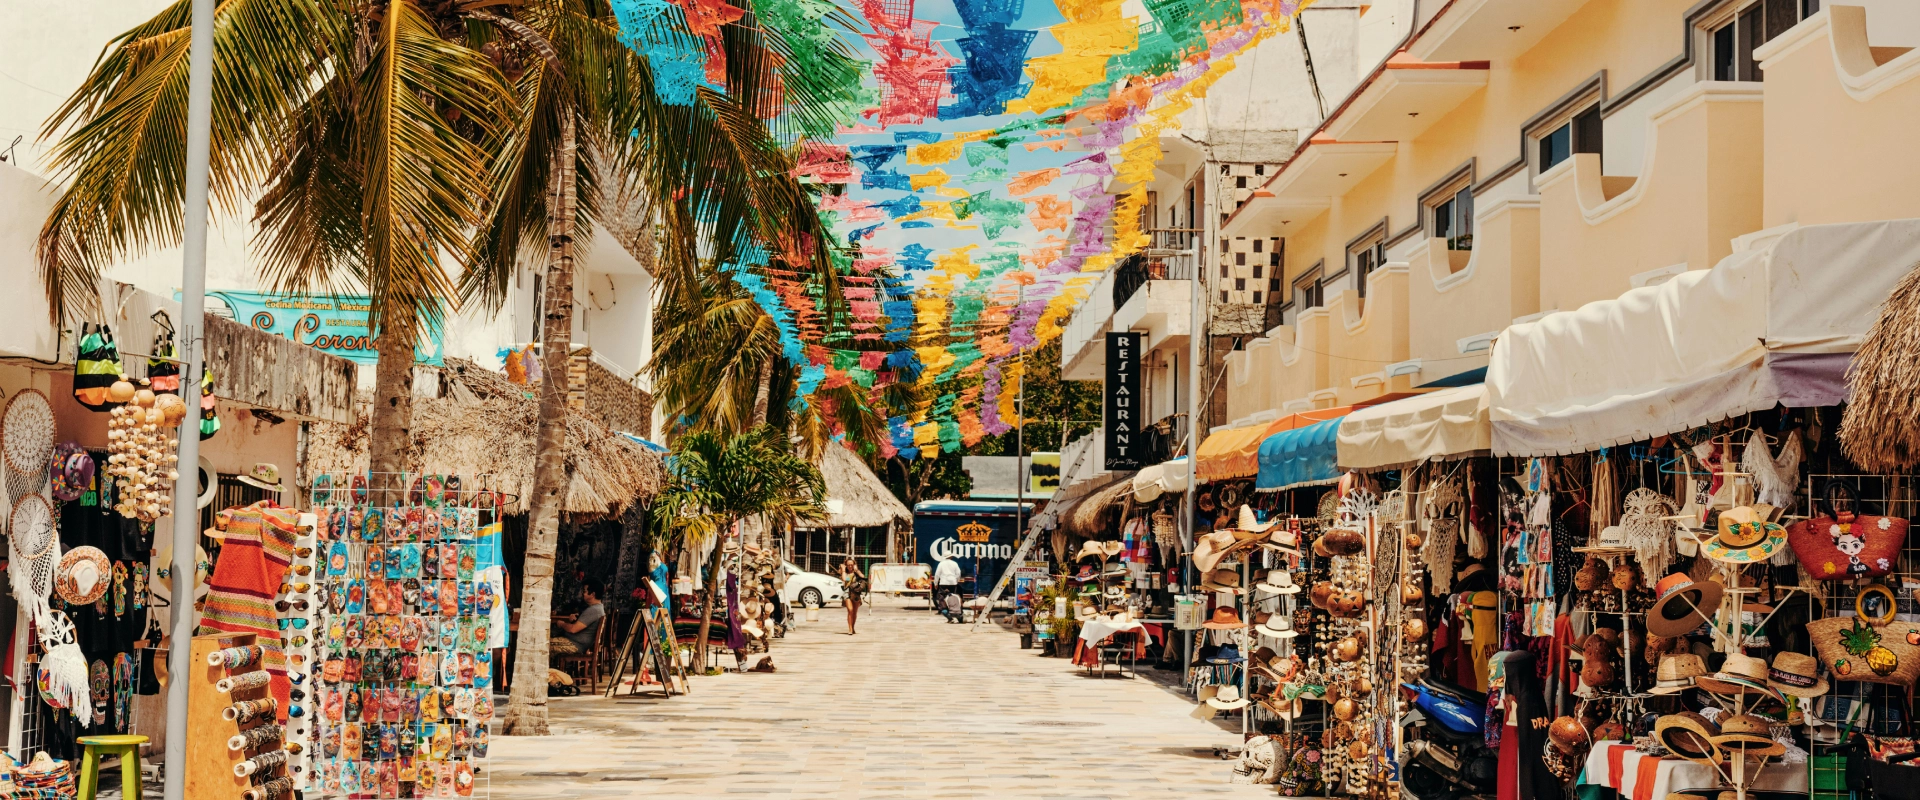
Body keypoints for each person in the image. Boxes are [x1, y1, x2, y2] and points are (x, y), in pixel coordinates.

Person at [551, 581, 605, 655]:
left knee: (544, 644)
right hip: (577, 642)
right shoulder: (598, 608)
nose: (583, 594)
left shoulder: (594, 610)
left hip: (575, 644)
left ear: (592, 594)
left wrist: (562, 624)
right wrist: (573, 620)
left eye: (584, 591)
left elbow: (573, 629)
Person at [838, 558, 868, 635]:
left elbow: (862, 576)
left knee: (854, 612)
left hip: (856, 593)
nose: (850, 566)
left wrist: (857, 570)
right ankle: (850, 629)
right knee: (850, 610)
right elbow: (845, 579)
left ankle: (853, 627)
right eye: (848, 565)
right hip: (847, 592)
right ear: (846, 565)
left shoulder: (856, 572)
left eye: (851, 565)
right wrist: (844, 570)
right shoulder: (844, 572)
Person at [933, 556, 961, 622]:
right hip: (953, 583)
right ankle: (958, 616)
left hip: (943, 583)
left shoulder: (941, 564)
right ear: (951, 557)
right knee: (953, 599)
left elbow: (937, 574)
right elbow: (958, 573)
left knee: (942, 600)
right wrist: (957, 580)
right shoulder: (955, 563)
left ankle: (949, 617)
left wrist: (935, 583)